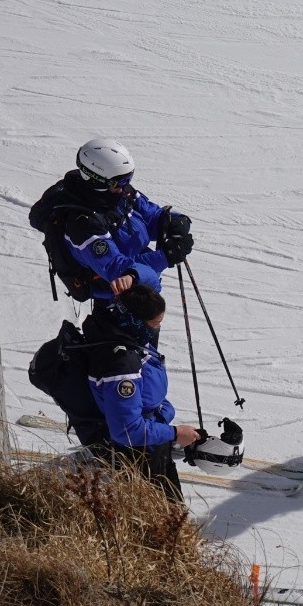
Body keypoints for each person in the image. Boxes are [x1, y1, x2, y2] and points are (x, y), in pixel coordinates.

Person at [28, 138, 194, 303]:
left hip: (144, 278)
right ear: (97, 182)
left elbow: (150, 216)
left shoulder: (116, 193)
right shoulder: (83, 225)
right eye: (121, 182)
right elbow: (118, 270)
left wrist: (171, 221)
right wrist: (166, 256)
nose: (124, 186)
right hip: (118, 297)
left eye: (128, 179)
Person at [83, 284, 201, 503]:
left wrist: (164, 414)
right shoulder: (121, 365)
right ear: (135, 320)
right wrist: (174, 433)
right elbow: (127, 431)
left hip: (152, 439)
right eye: (155, 324)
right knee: (164, 514)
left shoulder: (130, 337)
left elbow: (146, 395)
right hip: (137, 457)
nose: (157, 329)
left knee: (173, 510)